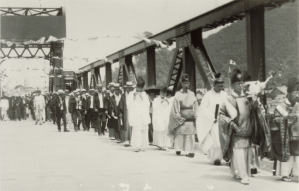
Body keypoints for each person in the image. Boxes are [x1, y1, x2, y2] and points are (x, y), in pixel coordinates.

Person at [218, 69, 254, 185]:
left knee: (245, 154)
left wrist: (255, 103)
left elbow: (254, 112)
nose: (240, 85)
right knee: (238, 154)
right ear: (233, 85)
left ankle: (238, 173)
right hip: (237, 131)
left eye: (241, 83)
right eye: (238, 83)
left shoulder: (247, 98)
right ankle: (243, 176)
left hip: (247, 130)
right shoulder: (229, 100)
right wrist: (231, 123)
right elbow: (221, 115)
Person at [270, 76, 299, 182]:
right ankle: (285, 174)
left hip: (297, 133)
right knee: (288, 154)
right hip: (285, 134)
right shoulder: (281, 106)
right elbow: (274, 119)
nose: (297, 95)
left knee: (297, 153)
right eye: (295, 93)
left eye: (298, 93)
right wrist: (283, 118)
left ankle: (296, 174)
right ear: (289, 93)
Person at [195, 73, 228, 165]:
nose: (221, 88)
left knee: (223, 139)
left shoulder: (225, 95)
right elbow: (203, 108)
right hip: (213, 121)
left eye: (222, 86)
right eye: (219, 86)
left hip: (222, 120)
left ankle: (221, 157)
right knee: (216, 140)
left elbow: (228, 106)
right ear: (214, 85)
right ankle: (216, 159)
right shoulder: (208, 95)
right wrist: (211, 117)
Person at [168, 74, 198, 158]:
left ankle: (190, 151)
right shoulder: (178, 95)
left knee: (190, 135)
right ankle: (179, 149)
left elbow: (196, 106)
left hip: (190, 118)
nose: (186, 85)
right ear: (181, 83)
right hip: (181, 117)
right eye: (185, 83)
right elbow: (175, 109)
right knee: (180, 134)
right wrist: (180, 117)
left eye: (188, 83)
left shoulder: (192, 94)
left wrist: (195, 115)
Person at [127, 77, 150, 152]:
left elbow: (148, 104)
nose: (140, 89)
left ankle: (143, 146)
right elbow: (128, 105)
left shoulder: (144, 94)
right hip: (136, 115)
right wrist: (133, 98)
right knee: (137, 130)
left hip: (143, 115)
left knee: (143, 130)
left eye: (141, 88)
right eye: (139, 87)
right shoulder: (131, 94)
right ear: (136, 87)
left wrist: (142, 98)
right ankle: (137, 146)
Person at [123, 81, 135, 147]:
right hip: (126, 111)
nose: (129, 89)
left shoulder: (134, 94)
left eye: (130, 88)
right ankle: (126, 139)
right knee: (127, 125)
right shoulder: (123, 95)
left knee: (133, 124)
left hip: (133, 111)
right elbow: (121, 104)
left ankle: (132, 140)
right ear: (126, 88)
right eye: (128, 88)